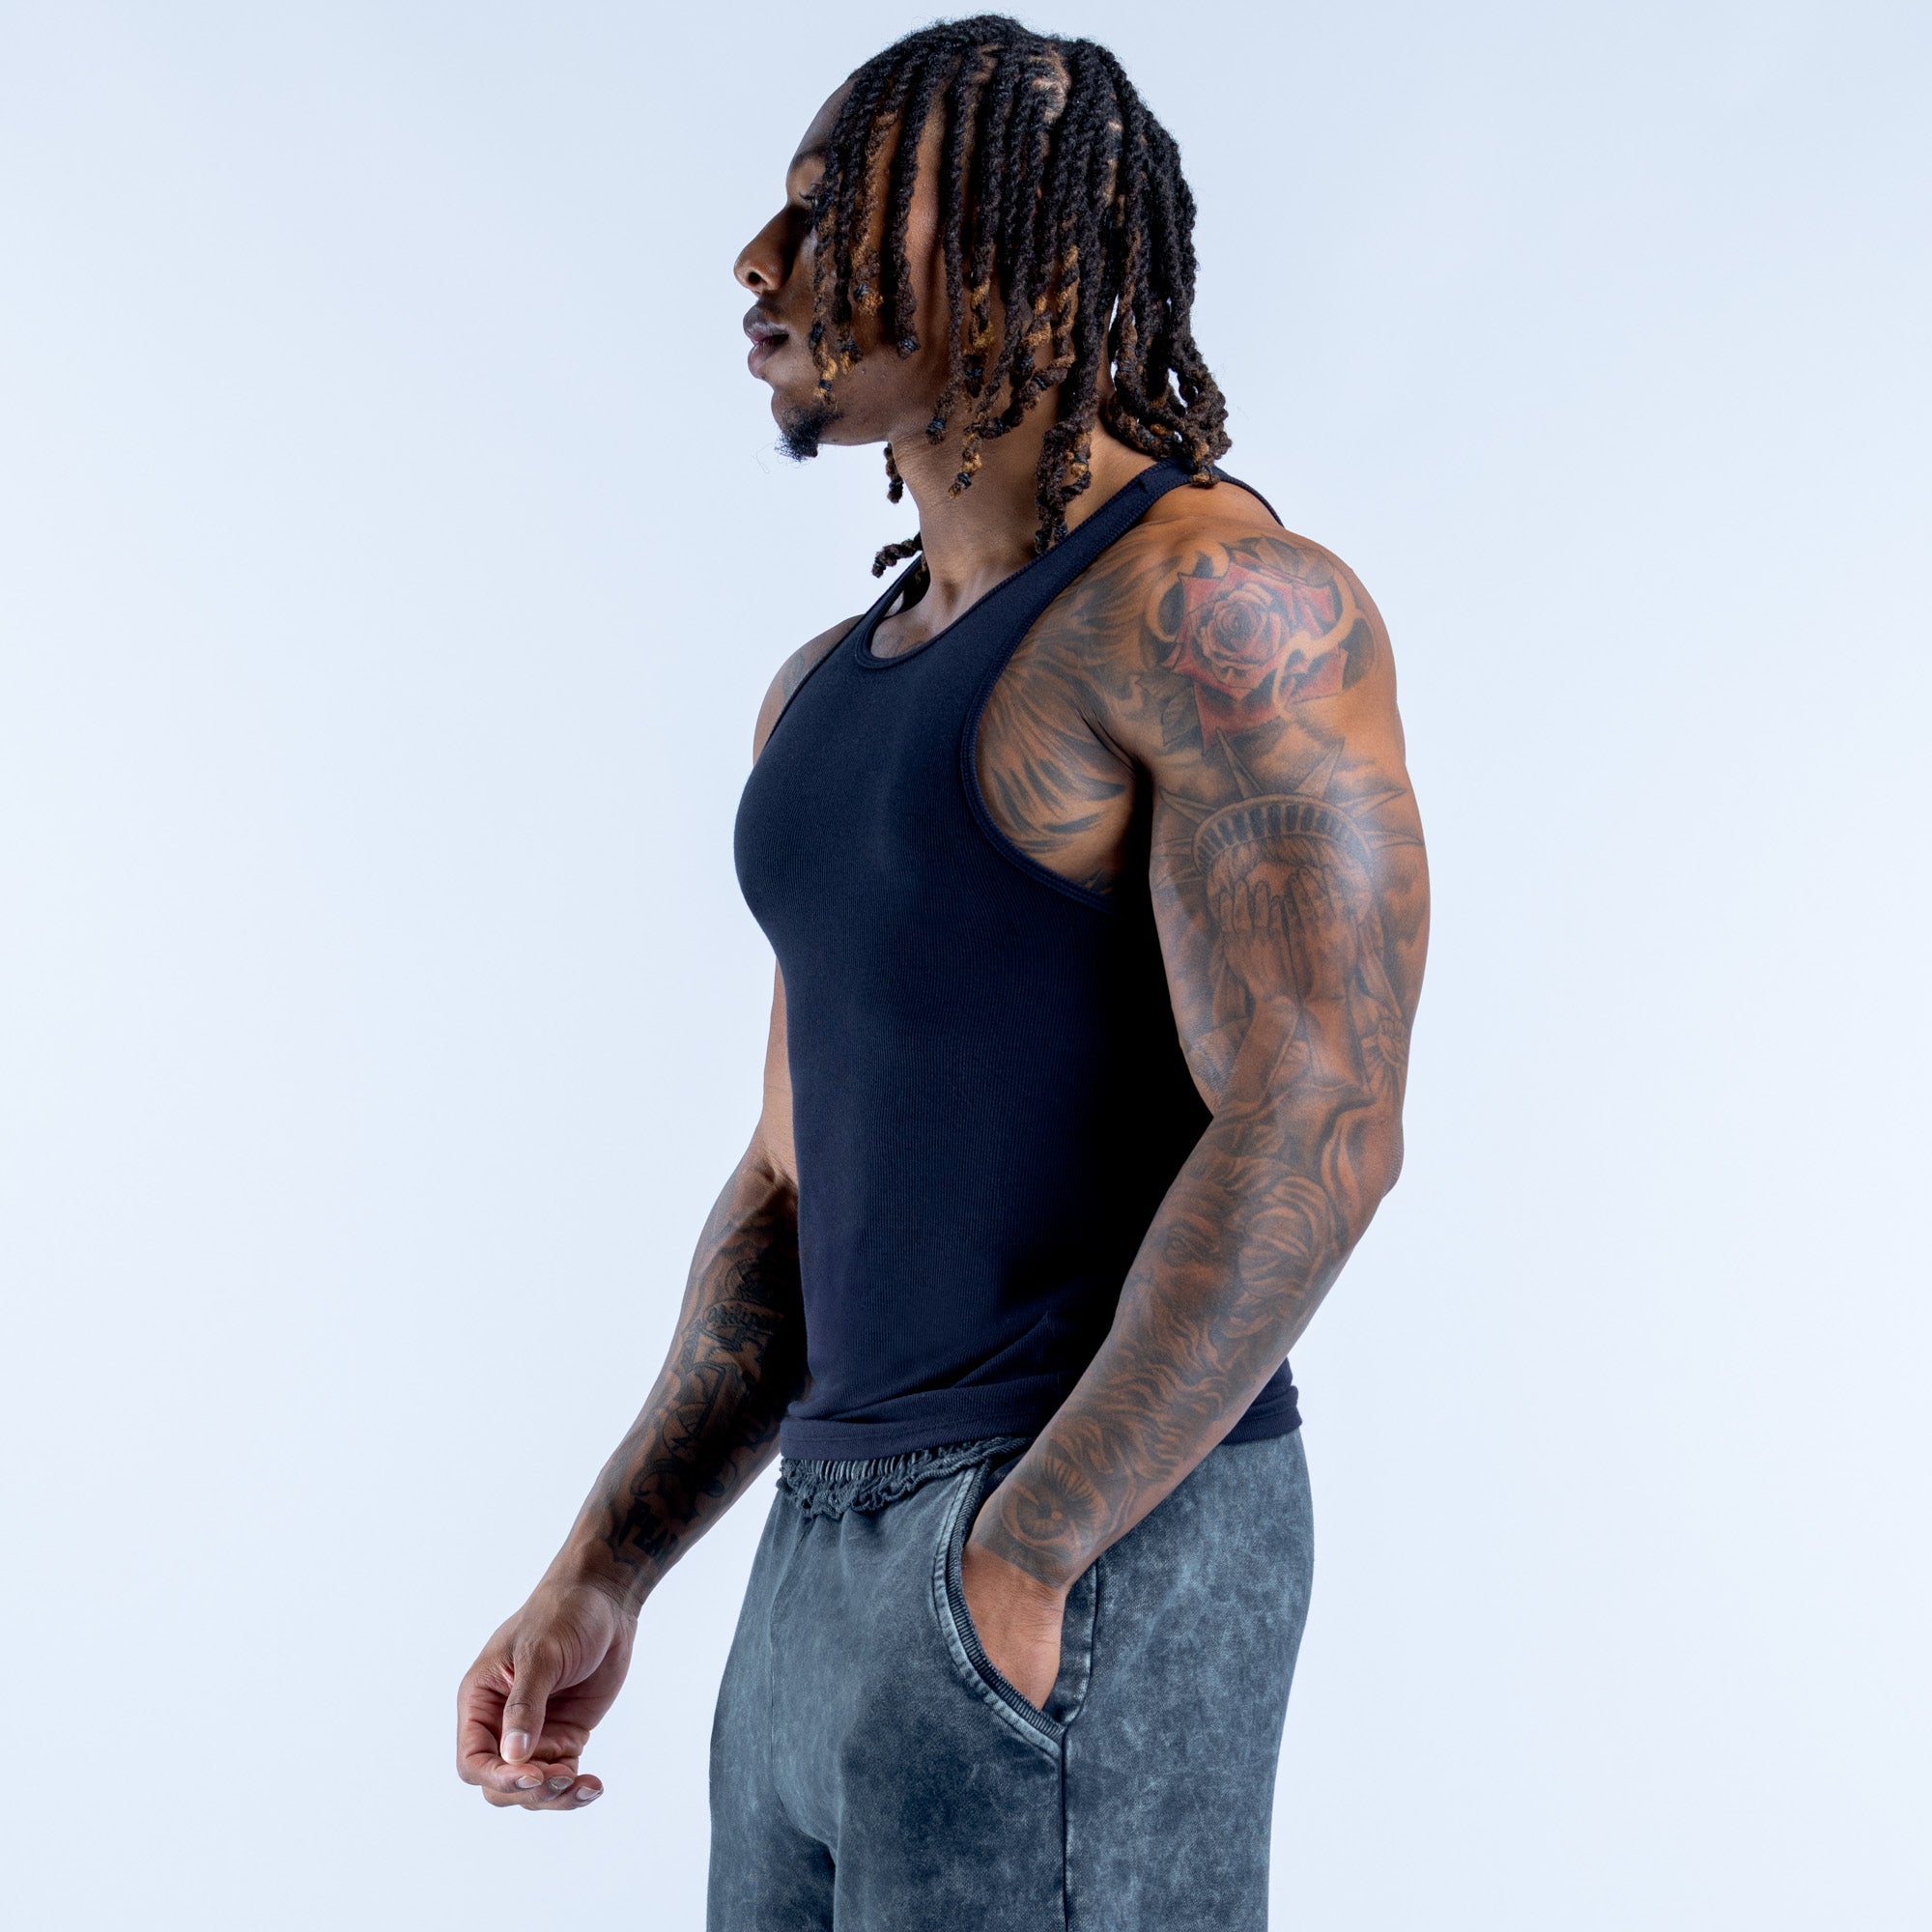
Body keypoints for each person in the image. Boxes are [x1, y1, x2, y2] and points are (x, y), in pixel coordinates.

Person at [456, 16, 1429, 1928]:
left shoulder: (1219, 607)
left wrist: (1032, 1551)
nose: (762, 261)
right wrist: (606, 1562)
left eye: (831, 212)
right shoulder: (822, 689)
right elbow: (794, 1174)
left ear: (1022, 248)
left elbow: (1319, 1112)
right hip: (821, 1536)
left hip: (1087, 1525)